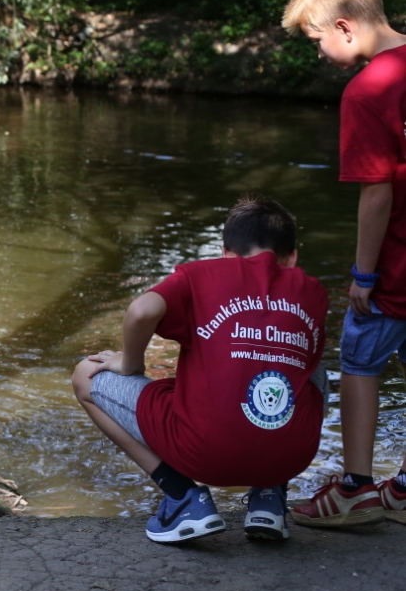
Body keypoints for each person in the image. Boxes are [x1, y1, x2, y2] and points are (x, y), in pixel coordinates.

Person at [72, 196, 328, 543]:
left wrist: (129, 363)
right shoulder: (312, 292)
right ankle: (269, 496)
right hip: (290, 457)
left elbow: (141, 311)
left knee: (85, 375)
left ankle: (183, 497)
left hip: (203, 452)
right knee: (313, 369)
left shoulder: (201, 276)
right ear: (292, 258)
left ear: (225, 253)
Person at [280, 0, 406, 527]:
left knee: (359, 362)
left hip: (396, 268)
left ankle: (355, 488)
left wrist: (363, 276)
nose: (319, 53)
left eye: (315, 40)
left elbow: (376, 195)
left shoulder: (367, 90)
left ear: (346, 27)